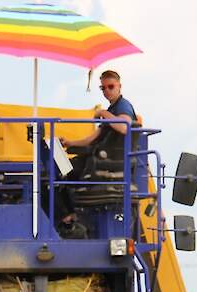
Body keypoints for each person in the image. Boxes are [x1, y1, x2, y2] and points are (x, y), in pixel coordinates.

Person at [57, 70, 137, 229]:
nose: (107, 91)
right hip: (100, 158)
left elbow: (124, 127)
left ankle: (68, 214)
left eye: (110, 86)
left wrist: (103, 113)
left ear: (119, 86)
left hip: (108, 162)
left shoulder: (123, 105)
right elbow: (94, 137)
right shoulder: (113, 109)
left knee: (61, 173)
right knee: (60, 169)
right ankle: (69, 213)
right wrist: (69, 142)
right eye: (103, 88)